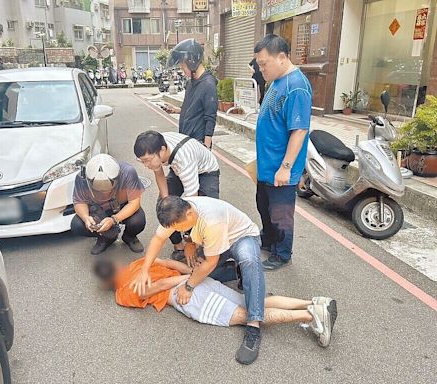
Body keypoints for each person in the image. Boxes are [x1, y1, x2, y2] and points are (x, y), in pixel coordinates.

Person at [94, 256, 337, 354]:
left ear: (107, 281)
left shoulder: (123, 294)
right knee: (253, 302)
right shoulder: (138, 263)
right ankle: (314, 302)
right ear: (116, 265)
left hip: (187, 295)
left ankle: (310, 316)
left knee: (245, 315)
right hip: (199, 281)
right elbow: (166, 260)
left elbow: (160, 286)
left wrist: (189, 282)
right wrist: (194, 274)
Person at [131, 195, 266, 365]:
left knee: (248, 261)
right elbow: (158, 239)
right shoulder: (176, 208)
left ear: (189, 215)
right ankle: (240, 275)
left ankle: (254, 325)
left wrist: (188, 287)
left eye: (177, 228)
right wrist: (145, 270)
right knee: (197, 270)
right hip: (216, 242)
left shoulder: (211, 221)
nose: (176, 231)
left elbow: (210, 262)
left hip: (241, 237)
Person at [254, 34, 313, 271]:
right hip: (267, 164)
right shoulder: (277, 81)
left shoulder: (296, 87)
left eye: (263, 64)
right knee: (263, 206)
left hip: (281, 168)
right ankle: (268, 240)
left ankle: (282, 253)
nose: (261, 69)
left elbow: (299, 131)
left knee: (281, 214)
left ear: (281, 57)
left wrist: (285, 168)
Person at [134, 130, 220, 260]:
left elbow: (191, 201)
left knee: (205, 214)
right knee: (164, 210)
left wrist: (189, 239)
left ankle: (203, 250)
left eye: (148, 160)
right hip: (179, 169)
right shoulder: (156, 146)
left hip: (206, 170)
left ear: (162, 150)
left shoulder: (184, 159)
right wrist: (166, 200)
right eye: (143, 161)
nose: (146, 165)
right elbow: (159, 173)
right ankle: (179, 247)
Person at [70, 154, 146, 255]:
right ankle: (105, 238)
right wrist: (85, 217)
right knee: (77, 225)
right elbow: (79, 202)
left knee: (138, 221)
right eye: (99, 191)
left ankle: (129, 236)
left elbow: (134, 203)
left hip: (121, 206)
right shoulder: (81, 177)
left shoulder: (128, 172)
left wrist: (114, 219)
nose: (105, 194)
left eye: (109, 190)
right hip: (97, 209)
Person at [161, 39, 217, 149]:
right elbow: (193, 108)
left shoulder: (208, 84)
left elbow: (210, 118)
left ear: (192, 61)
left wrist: (205, 147)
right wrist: (176, 110)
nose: (182, 70)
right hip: (186, 138)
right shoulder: (191, 82)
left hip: (198, 143)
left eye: (183, 67)